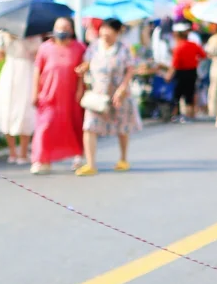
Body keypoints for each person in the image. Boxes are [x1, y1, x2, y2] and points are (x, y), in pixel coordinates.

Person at [76, 17, 141, 175]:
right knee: (89, 126)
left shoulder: (123, 48)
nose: (105, 34)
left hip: (119, 94)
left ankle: (123, 158)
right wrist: (82, 69)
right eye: (103, 30)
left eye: (109, 31)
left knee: (122, 127)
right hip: (98, 95)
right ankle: (91, 164)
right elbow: (87, 63)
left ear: (117, 33)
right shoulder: (94, 47)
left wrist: (122, 89)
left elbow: (130, 69)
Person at [30, 17, 85, 174]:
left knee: (74, 126)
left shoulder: (79, 48)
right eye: (59, 27)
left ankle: (78, 156)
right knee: (45, 127)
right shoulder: (45, 48)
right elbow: (37, 71)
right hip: (48, 94)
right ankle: (41, 160)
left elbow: (83, 72)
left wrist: (81, 90)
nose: (62, 31)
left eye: (66, 27)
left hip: (71, 95)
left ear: (72, 30)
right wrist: (35, 92)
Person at [0, 28, 40, 164]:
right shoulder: (8, 33)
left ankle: (17, 153)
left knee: (21, 109)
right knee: (11, 109)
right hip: (20, 71)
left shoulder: (10, 32)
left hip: (16, 71)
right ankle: (18, 153)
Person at [165, 22, 205, 119]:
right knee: (190, 94)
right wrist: (195, 62)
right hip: (192, 72)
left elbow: (175, 64)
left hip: (180, 73)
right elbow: (203, 55)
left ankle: (174, 114)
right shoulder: (193, 45)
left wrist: (169, 75)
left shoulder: (178, 47)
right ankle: (190, 114)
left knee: (177, 94)